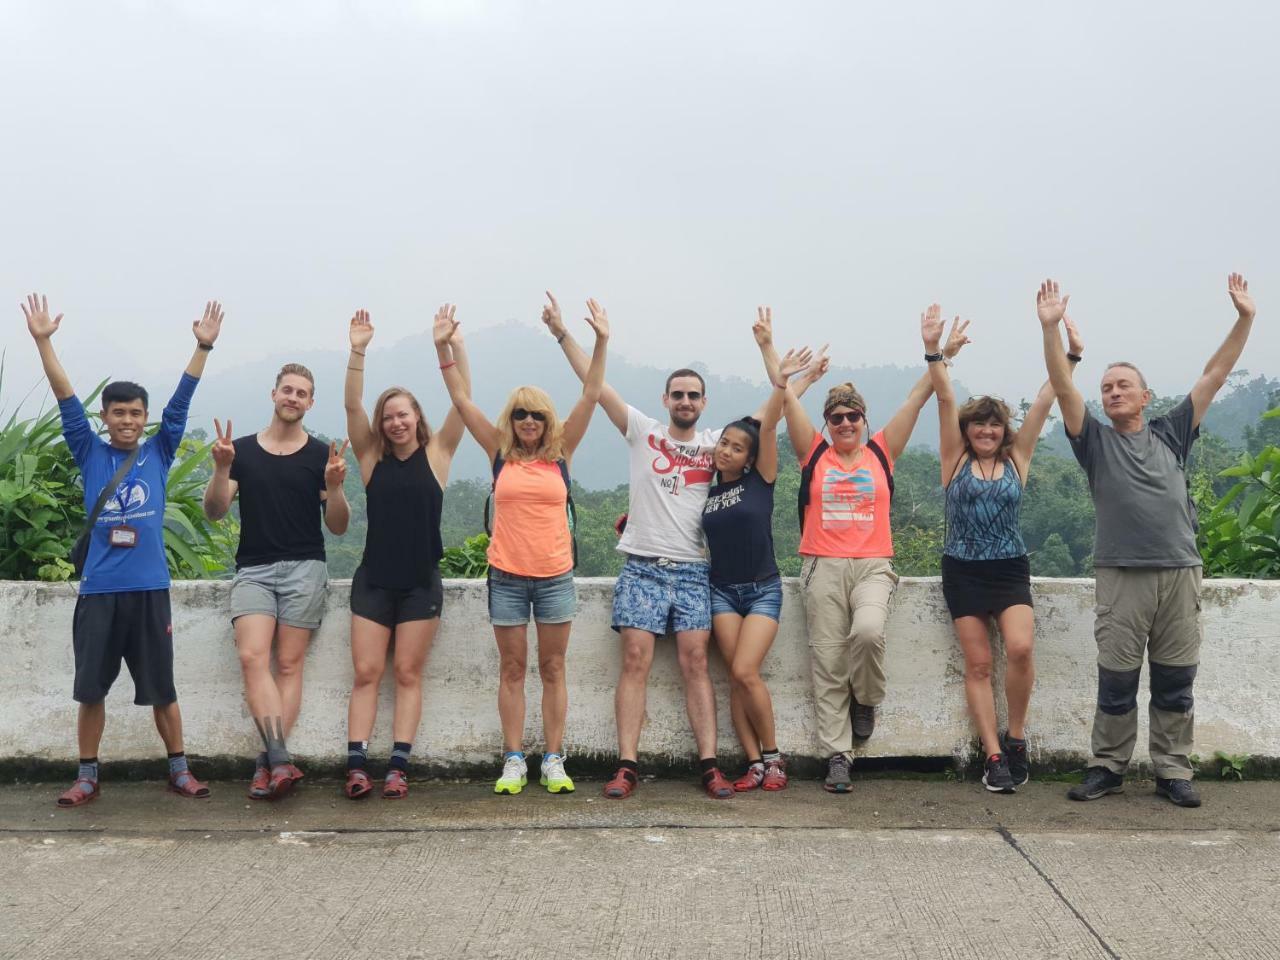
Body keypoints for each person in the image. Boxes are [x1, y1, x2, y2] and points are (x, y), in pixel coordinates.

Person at [1040, 275, 1257, 809]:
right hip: (1122, 574)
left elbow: (1215, 373)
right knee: (1116, 679)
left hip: (1180, 572)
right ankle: (1108, 767)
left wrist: (1245, 319)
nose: (1112, 392)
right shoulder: (1093, 442)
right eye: (1107, 387)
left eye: (1122, 385)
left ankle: (1172, 770)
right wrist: (1050, 331)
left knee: (1176, 680)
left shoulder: (1172, 432)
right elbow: (1063, 388)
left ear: (1145, 396)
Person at [542, 293, 759, 799]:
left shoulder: (715, 445)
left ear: (704, 403)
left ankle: (708, 764)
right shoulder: (643, 431)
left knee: (696, 664)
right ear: (666, 400)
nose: (685, 402)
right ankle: (626, 765)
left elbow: (765, 417)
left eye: (693, 395)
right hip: (641, 565)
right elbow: (595, 388)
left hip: (692, 570)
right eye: (678, 394)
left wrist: (788, 375)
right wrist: (563, 333)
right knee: (635, 661)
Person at [24, 292, 224, 807]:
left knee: (164, 688)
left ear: (145, 417)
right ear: (106, 417)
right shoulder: (89, 449)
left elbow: (181, 404)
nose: (129, 420)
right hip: (99, 593)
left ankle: (179, 770)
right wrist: (44, 343)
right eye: (119, 413)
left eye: (136, 413)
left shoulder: (160, 450)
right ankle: (87, 775)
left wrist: (201, 348)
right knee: (90, 691)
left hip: (150, 591)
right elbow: (65, 396)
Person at [767, 310, 969, 793]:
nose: (844, 422)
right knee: (826, 661)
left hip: (874, 564)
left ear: (864, 419)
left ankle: (868, 697)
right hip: (821, 564)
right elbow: (784, 400)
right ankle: (838, 755)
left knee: (869, 631)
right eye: (835, 417)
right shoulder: (813, 452)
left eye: (852, 415)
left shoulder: (882, 450)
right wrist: (779, 363)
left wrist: (941, 352)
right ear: (827, 423)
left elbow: (918, 398)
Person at [434, 298, 608, 795]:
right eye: (519, 414)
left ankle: (553, 758)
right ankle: (514, 758)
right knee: (512, 669)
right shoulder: (497, 453)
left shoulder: (562, 453)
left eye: (536, 414)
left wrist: (596, 340)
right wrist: (442, 348)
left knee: (554, 669)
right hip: (506, 576)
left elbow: (592, 393)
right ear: (510, 420)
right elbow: (463, 401)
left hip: (555, 575)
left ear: (547, 420)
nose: (528, 421)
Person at [922, 303, 1083, 793]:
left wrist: (1068, 351)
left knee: (1020, 647)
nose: (987, 432)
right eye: (979, 425)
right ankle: (993, 755)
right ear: (968, 431)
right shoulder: (953, 460)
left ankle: (1016, 738)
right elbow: (945, 400)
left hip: (1009, 567)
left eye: (994, 425)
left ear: (1002, 430)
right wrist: (934, 351)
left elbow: (1045, 400)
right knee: (979, 664)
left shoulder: (1018, 458)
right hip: (963, 570)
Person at [202, 364, 351, 800]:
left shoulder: (321, 455)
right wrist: (220, 468)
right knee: (252, 657)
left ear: (310, 402)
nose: (293, 397)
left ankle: (268, 764)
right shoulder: (241, 452)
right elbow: (214, 511)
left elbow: (338, 527)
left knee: (287, 665)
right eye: (288, 389)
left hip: (306, 567)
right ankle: (281, 759)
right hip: (254, 568)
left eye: (302, 393)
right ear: (273, 394)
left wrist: (335, 487)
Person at [341, 306, 469, 800]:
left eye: (403, 414)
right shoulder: (371, 459)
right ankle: (356, 765)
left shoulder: (437, 456)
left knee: (407, 673)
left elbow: (464, 400)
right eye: (388, 416)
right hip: (373, 580)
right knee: (368, 673)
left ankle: (397, 766)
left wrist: (448, 350)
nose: (395, 423)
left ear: (417, 417)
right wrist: (357, 351)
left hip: (420, 582)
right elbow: (352, 408)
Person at [702, 317, 813, 792]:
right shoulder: (703, 491)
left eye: (736, 447)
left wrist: (781, 373)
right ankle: (753, 763)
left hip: (763, 590)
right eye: (723, 444)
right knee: (736, 677)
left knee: (747, 671)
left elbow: (766, 424)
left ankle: (774, 757)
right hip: (721, 591)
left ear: (750, 457)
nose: (727, 451)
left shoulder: (760, 480)